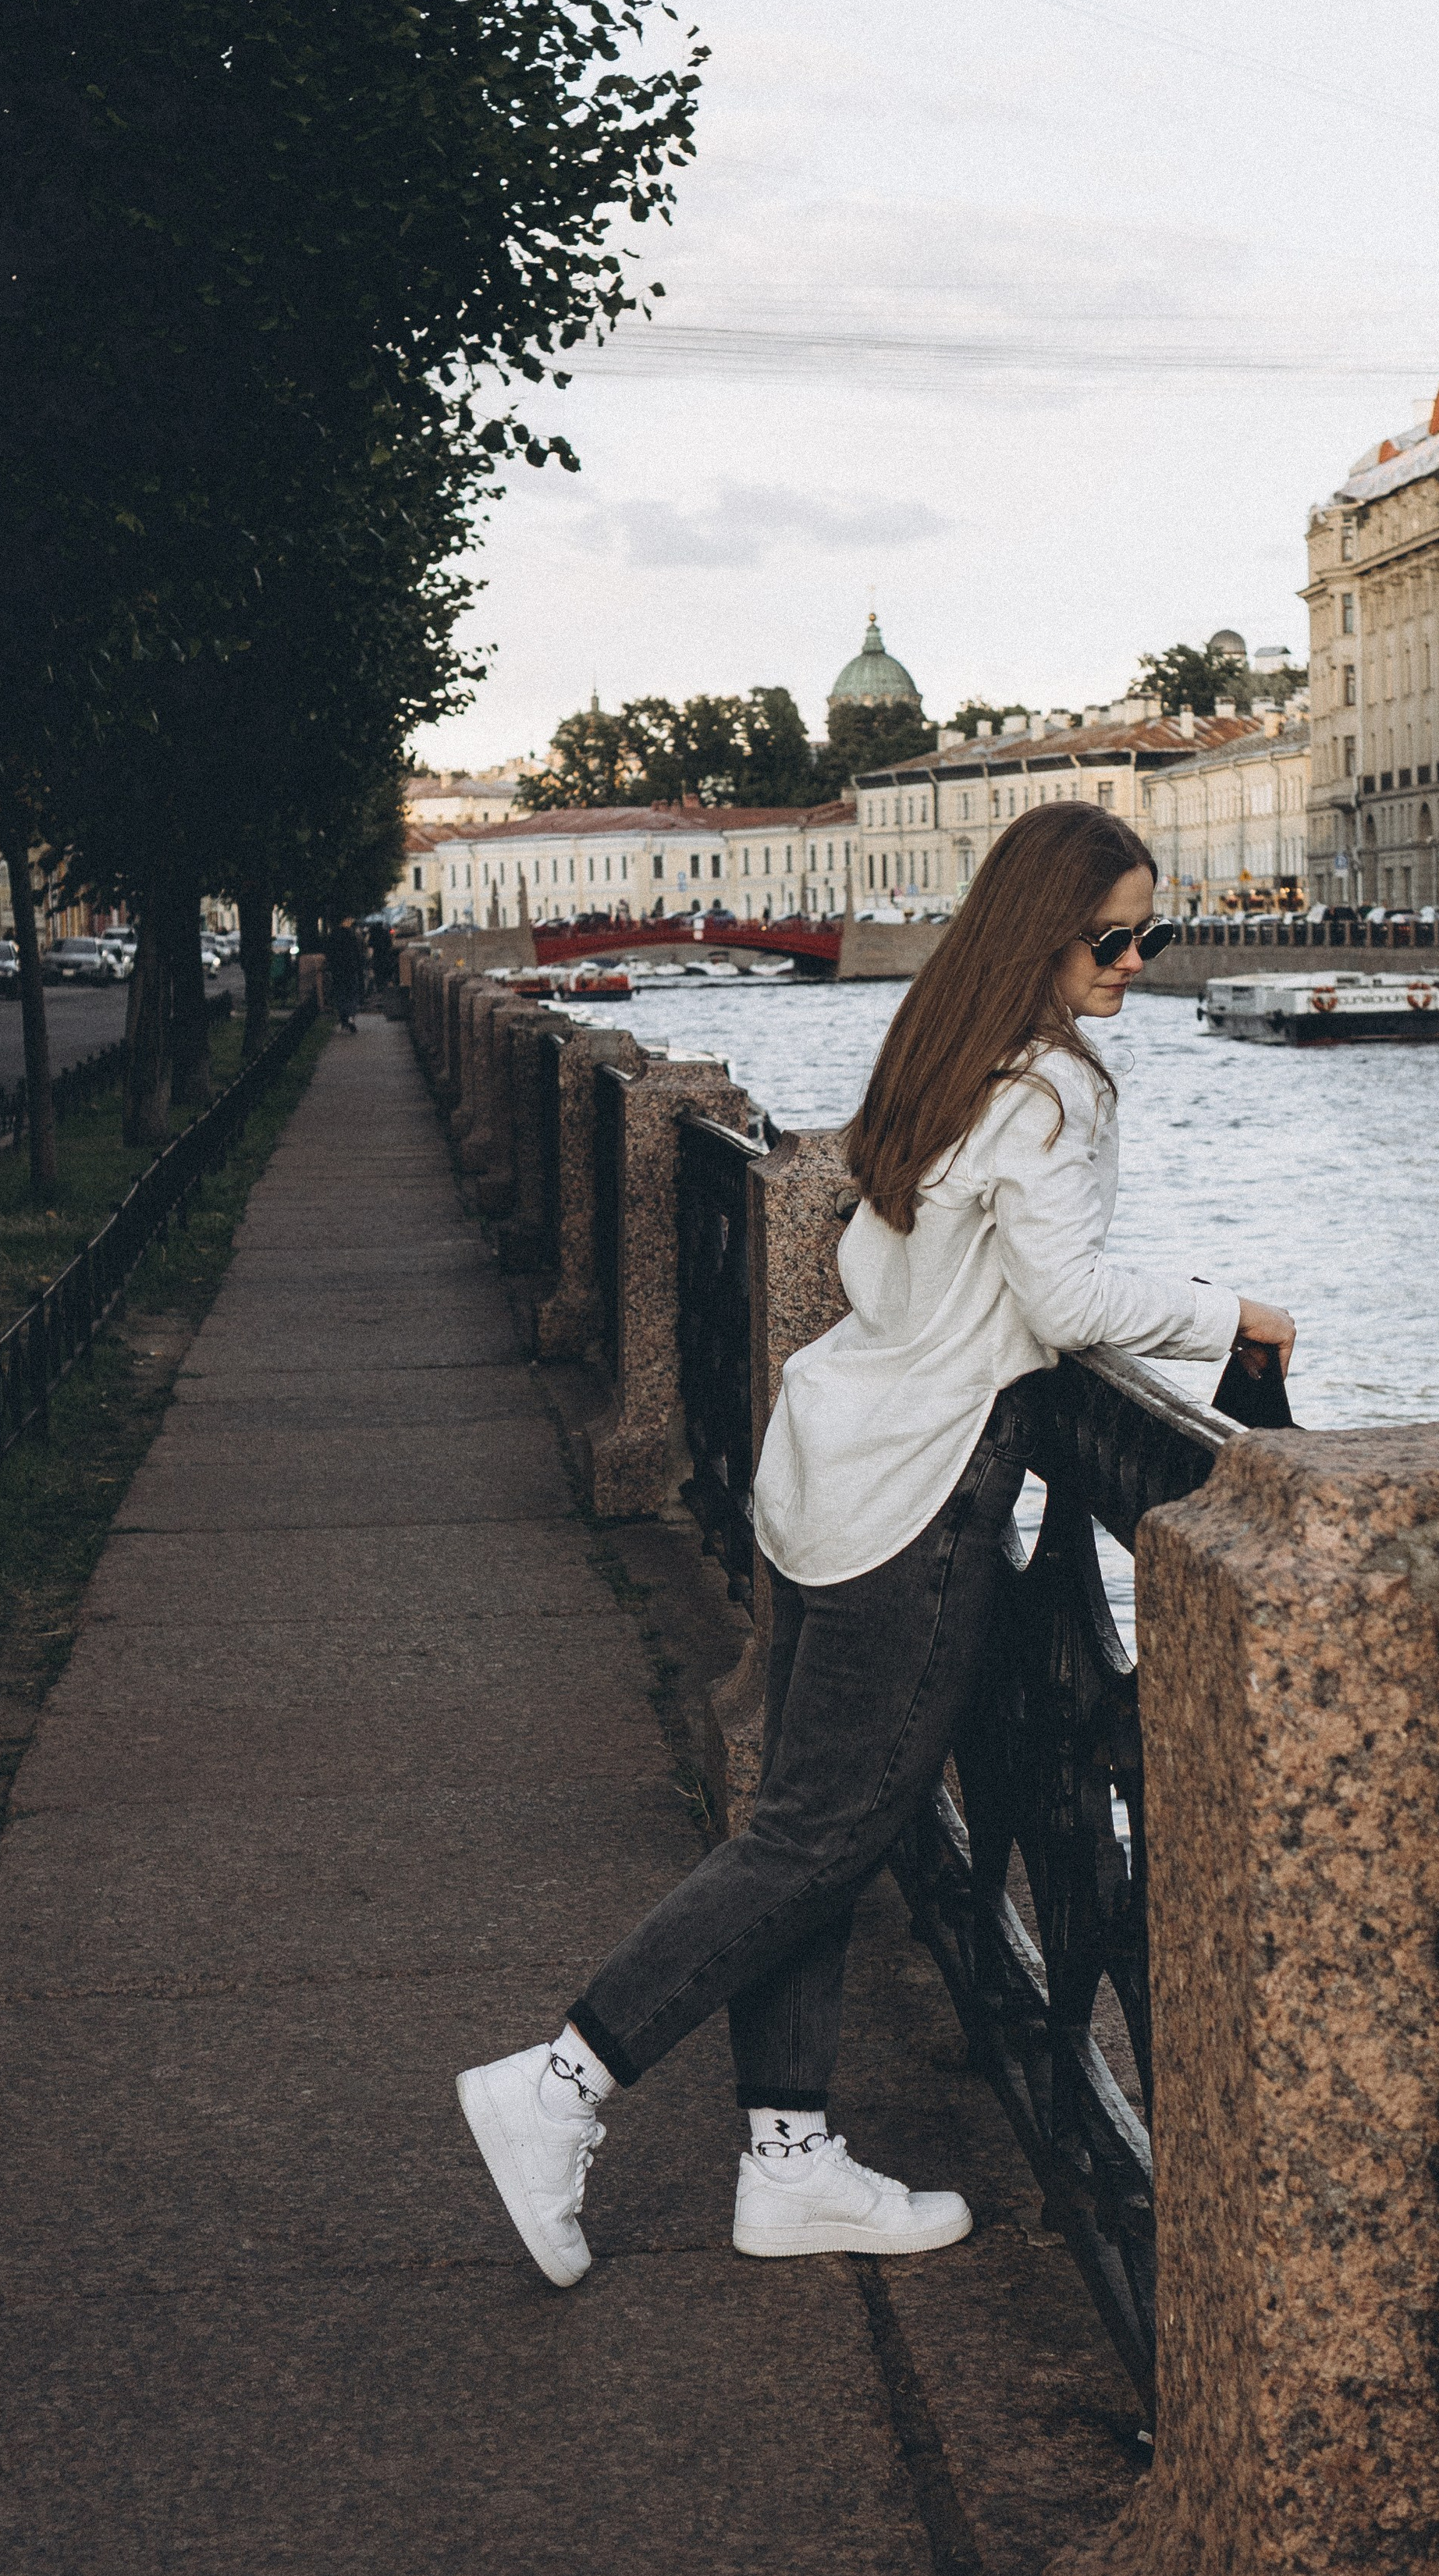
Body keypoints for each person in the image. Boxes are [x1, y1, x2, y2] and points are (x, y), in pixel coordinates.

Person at [455, 805, 1296, 2286]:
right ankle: (562, 2083)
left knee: (809, 1822)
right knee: (824, 1834)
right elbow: (1071, 1301)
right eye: (1112, 938)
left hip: (827, 1463)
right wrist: (1239, 1318)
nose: (1133, 961)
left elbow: (865, 1254)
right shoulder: (1048, 1092)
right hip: (921, 1493)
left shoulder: (938, 1053)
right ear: (1041, 936)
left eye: (1147, 935)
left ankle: (788, 2160)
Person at [327, 919, 364, 1034]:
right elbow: (357, 953)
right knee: (352, 994)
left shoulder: (333, 935)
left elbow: (329, 953)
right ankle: (351, 1017)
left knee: (340, 994)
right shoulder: (352, 935)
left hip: (337, 970)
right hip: (351, 969)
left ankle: (344, 1019)